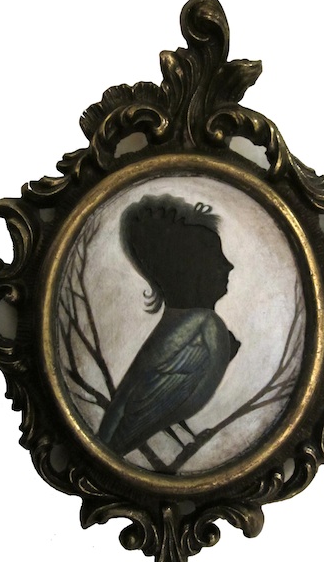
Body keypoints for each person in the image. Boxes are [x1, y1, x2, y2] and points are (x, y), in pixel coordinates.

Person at [98, 194, 240, 456]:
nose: (228, 265)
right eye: (215, 257)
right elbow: (164, 398)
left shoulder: (189, 324)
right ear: (190, 271)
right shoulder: (205, 324)